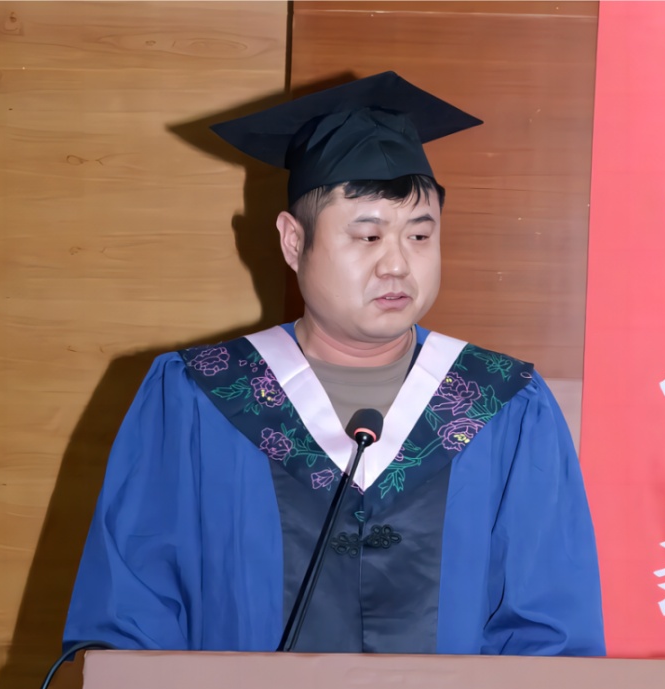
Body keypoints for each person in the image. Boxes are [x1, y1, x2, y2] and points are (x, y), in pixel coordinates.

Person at [62, 72, 605, 656]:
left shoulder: (502, 405)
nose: (397, 265)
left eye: (420, 237)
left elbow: (550, 635)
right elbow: (131, 618)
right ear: (294, 242)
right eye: (368, 237)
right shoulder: (200, 396)